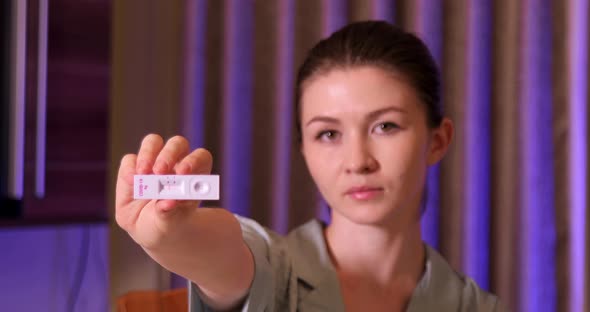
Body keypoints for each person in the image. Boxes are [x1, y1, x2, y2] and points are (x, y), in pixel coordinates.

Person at [116, 21, 506, 311]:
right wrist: (171, 236)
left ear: (437, 140)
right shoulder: (275, 273)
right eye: (328, 135)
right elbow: (229, 255)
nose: (357, 162)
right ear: (303, 148)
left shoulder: (475, 307)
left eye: (385, 126)